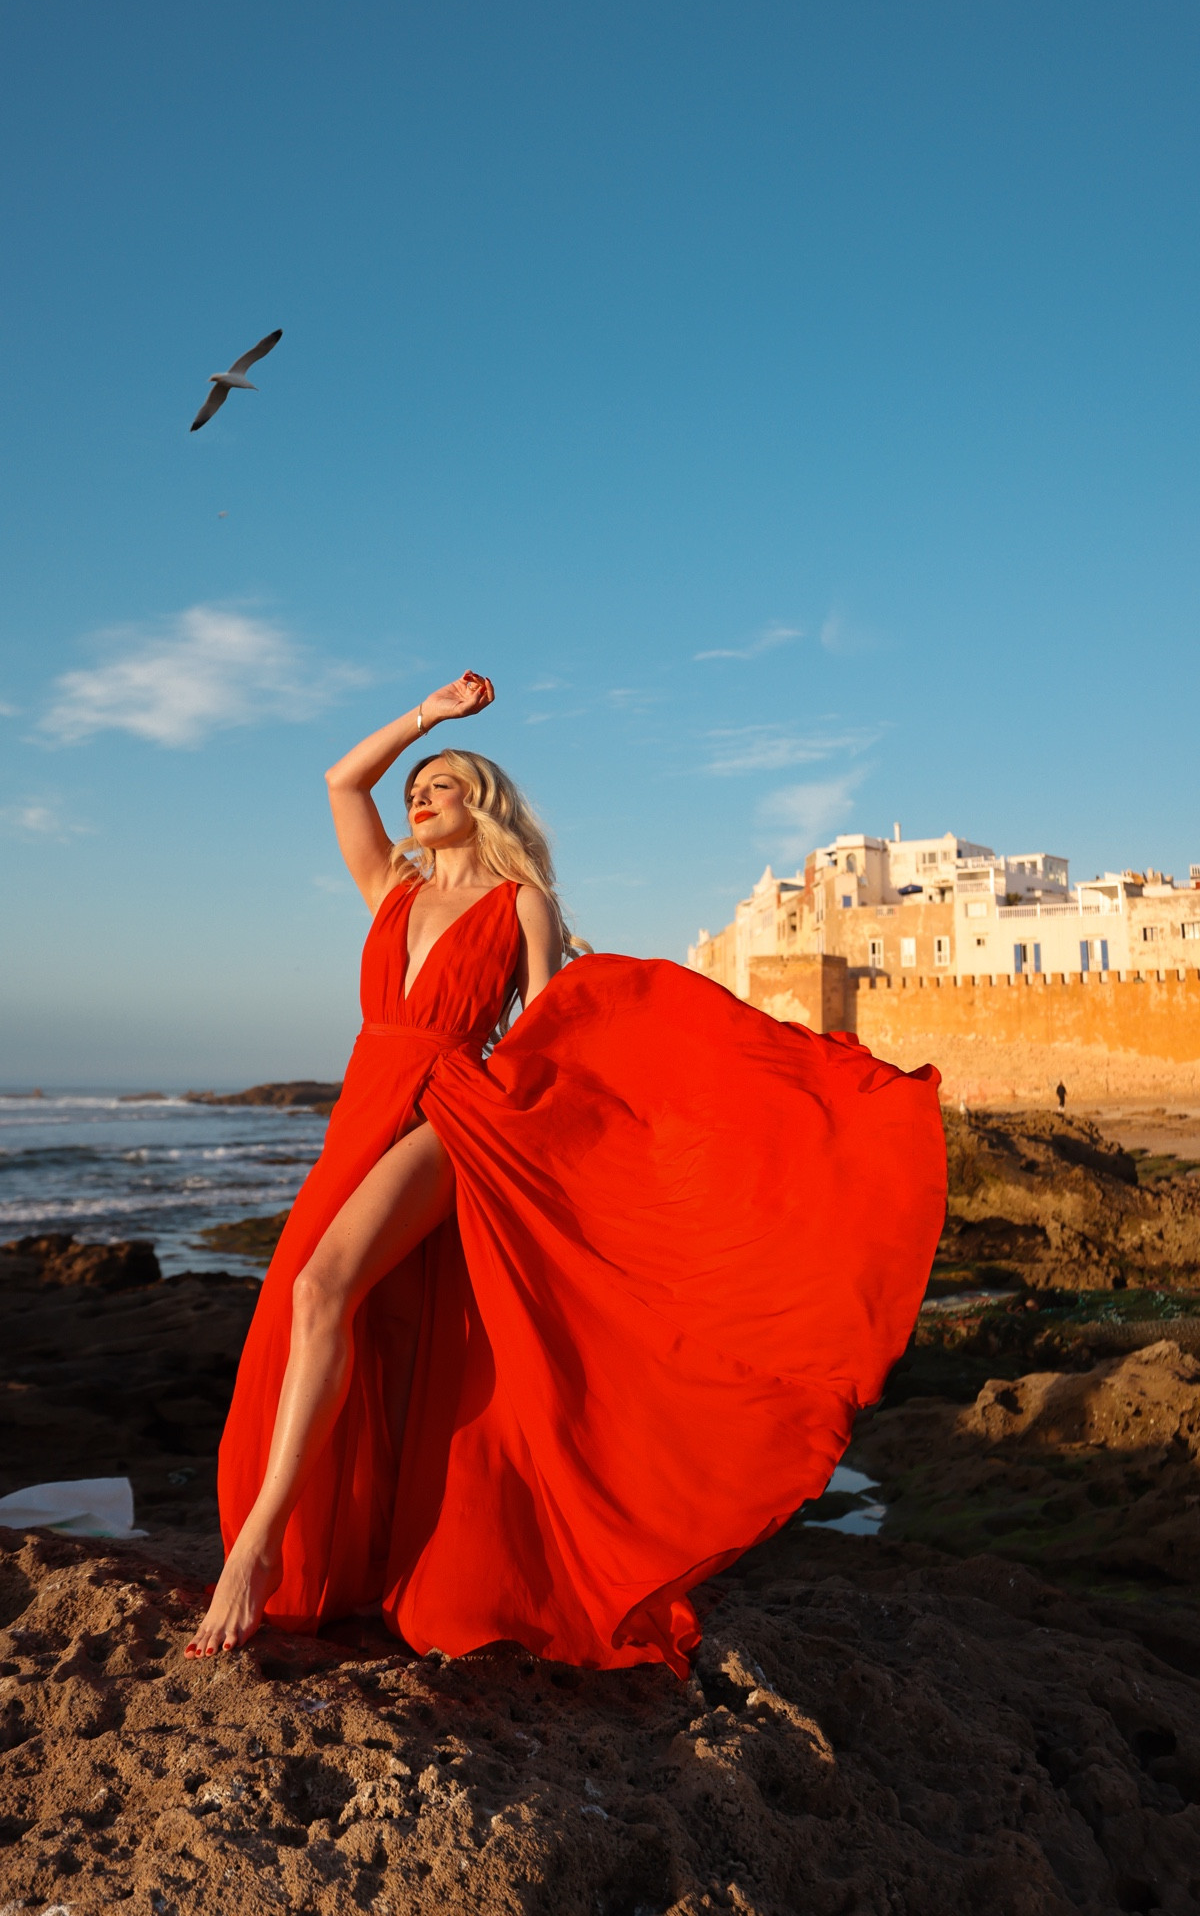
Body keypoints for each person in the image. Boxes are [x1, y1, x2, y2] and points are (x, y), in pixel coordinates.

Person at [189, 675, 947, 1675]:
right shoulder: (393, 887)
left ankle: (251, 1553)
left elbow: (555, 1027)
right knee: (350, 1319)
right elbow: (340, 780)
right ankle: (358, 1554)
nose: (420, 795)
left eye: (444, 784)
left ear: (484, 802)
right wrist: (429, 717)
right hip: (362, 1106)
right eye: (415, 786)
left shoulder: (521, 900)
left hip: (449, 1108)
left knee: (318, 1286)